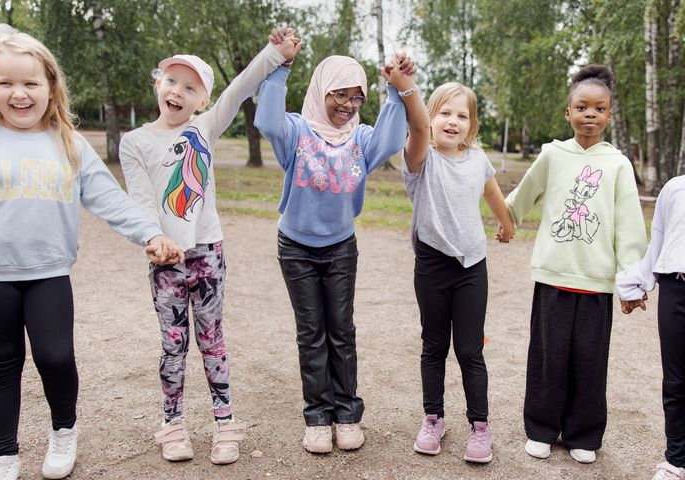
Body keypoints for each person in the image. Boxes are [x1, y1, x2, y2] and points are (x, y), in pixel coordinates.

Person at [0, 24, 183, 480]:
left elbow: (111, 199)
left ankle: (64, 430)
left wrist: (150, 234)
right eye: (6, 83)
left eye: (30, 83)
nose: (19, 94)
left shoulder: (69, 143)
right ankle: (3, 454)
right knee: (0, 365)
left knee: (56, 356)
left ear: (50, 86)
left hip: (47, 273)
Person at [118, 27, 300, 466]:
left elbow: (239, 88)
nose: (178, 91)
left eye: (191, 87)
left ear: (202, 100)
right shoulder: (135, 142)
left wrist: (275, 53)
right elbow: (141, 203)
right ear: (158, 84)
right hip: (165, 260)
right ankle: (173, 423)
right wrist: (153, 239)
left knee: (212, 339)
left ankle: (224, 422)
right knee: (173, 344)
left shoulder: (205, 127)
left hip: (208, 254)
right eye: (172, 81)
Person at [255, 34, 418, 453]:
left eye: (356, 98)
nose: (347, 105)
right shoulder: (295, 131)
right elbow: (267, 121)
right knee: (311, 332)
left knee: (341, 331)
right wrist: (280, 68)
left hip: (341, 247)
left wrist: (396, 92)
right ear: (321, 90)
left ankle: (346, 414)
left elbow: (388, 140)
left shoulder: (360, 140)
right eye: (339, 95)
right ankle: (317, 416)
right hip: (296, 247)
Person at [504, 64, 647, 464]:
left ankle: (583, 434)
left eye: (598, 108)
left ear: (608, 115)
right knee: (548, 358)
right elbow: (523, 195)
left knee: (589, 360)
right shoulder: (553, 155)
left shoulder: (618, 164)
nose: (589, 114)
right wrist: (505, 220)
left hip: (597, 283)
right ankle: (542, 430)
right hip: (553, 276)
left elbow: (629, 226)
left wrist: (631, 282)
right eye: (581, 107)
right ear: (568, 112)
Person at [398, 79, 514, 462]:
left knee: (469, 349)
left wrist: (506, 222)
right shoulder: (420, 158)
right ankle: (433, 418)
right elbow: (416, 130)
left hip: (471, 268)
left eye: (462, 115)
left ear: (472, 124)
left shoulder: (477, 159)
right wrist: (406, 88)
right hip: (432, 266)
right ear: (429, 119)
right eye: (444, 113)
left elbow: (493, 192)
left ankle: (479, 426)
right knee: (434, 345)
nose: (453, 121)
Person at [616, 175, 685, 480]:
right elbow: (658, 239)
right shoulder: (675, 188)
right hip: (677, 287)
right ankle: (675, 460)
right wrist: (636, 286)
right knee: (676, 381)